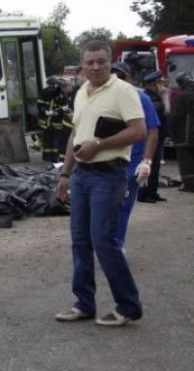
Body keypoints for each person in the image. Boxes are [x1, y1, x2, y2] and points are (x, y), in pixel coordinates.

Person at [55, 41, 146, 326]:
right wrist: (65, 174)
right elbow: (74, 136)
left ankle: (129, 306)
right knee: (80, 241)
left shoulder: (123, 91)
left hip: (109, 175)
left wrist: (100, 144)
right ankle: (84, 303)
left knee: (103, 242)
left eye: (101, 62)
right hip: (81, 176)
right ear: (81, 65)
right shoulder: (82, 92)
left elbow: (139, 130)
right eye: (90, 62)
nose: (95, 67)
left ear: (110, 62)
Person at [110, 62, 160, 249]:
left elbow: (152, 131)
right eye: (113, 76)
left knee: (122, 204)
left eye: (121, 77)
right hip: (110, 161)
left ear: (129, 78)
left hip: (132, 163)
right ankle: (107, 242)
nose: (117, 81)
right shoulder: (106, 98)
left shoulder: (141, 98)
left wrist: (146, 162)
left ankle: (117, 244)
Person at [137, 70, 167, 203]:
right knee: (148, 165)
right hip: (151, 137)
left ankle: (153, 192)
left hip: (159, 137)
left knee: (155, 167)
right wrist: (165, 96)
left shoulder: (155, 96)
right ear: (154, 83)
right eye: (160, 82)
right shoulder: (148, 97)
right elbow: (166, 111)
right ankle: (143, 194)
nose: (163, 85)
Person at [168, 71, 194, 192]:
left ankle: (189, 185)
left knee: (185, 162)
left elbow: (175, 116)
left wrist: (170, 130)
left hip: (184, 136)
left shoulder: (182, 96)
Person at [38, 76, 72, 162]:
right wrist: (50, 112)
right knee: (49, 142)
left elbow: (63, 107)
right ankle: (49, 158)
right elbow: (41, 106)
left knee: (53, 142)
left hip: (54, 122)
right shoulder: (47, 93)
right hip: (48, 122)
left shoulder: (60, 94)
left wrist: (59, 111)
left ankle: (53, 159)